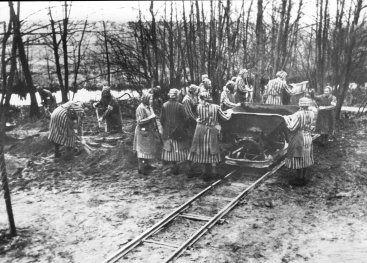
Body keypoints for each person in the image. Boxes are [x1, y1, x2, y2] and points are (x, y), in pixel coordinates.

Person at [187, 91, 233, 181]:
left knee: (202, 149)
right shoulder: (216, 107)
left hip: (200, 129)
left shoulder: (199, 107)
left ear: (201, 99)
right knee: (212, 149)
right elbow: (225, 118)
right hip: (212, 129)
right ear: (210, 98)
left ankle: (204, 171)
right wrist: (230, 112)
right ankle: (214, 171)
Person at [283, 97, 316, 186]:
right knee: (306, 158)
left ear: (300, 104)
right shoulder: (312, 113)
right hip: (308, 137)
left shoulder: (298, 114)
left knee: (299, 158)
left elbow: (292, 127)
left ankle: (299, 179)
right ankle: (304, 177)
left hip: (299, 137)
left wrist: (286, 119)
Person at [160, 89, 190, 175]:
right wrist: (185, 127)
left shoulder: (164, 105)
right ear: (177, 96)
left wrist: (166, 127)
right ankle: (187, 168)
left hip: (168, 132)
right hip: (179, 132)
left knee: (170, 150)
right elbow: (185, 118)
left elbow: (161, 119)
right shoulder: (180, 106)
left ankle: (174, 166)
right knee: (183, 149)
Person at [133, 93, 161, 175]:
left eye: (151, 99)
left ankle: (147, 165)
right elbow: (139, 121)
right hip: (142, 131)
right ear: (145, 99)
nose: (151, 101)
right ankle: (141, 168)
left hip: (148, 130)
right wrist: (150, 118)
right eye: (150, 99)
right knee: (142, 150)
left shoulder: (149, 107)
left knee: (148, 149)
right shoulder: (140, 108)